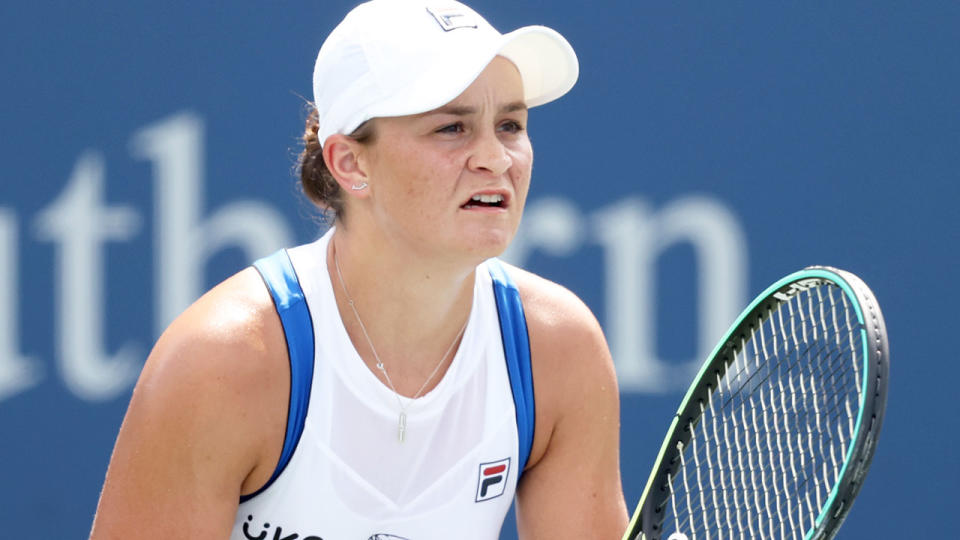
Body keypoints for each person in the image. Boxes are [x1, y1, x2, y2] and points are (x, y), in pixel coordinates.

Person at [89, 1, 629, 538]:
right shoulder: (223, 361)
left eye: (510, 124)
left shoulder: (559, 351)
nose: (496, 157)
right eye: (451, 128)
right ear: (349, 162)